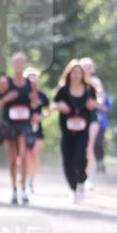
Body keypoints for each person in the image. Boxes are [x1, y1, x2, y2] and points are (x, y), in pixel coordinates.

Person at [53, 59, 97, 203]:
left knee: (80, 157)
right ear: (69, 73)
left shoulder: (89, 89)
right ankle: (72, 188)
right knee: (67, 160)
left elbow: (93, 104)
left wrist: (92, 105)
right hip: (67, 130)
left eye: (79, 72)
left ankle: (81, 182)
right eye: (74, 72)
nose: (77, 74)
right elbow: (53, 103)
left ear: (83, 74)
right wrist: (60, 105)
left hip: (83, 130)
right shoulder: (63, 89)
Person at [0, 53, 35, 206]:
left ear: (25, 65)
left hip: (24, 125)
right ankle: (13, 190)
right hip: (9, 125)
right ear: (12, 65)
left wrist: (34, 99)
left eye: (21, 63)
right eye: (16, 63)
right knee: (12, 160)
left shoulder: (30, 84)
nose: (19, 66)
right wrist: (6, 98)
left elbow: (36, 104)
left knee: (23, 157)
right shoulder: (5, 83)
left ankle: (24, 189)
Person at [24, 67, 49, 194]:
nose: (32, 78)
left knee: (34, 156)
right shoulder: (21, 94)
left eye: (34, 76)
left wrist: (41, 117)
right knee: (25, 156)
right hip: (23, 128)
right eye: (29, 76)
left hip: (37, 129)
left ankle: (30, 180)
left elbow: (48, 109)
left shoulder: (42, 95)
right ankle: (23, 178)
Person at [79, 57, 101, 187]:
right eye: (84, 66)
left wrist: (94, 103)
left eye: (89, 66)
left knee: (89, 146)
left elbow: (101, 100)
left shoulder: (95, 82)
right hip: (77, 118)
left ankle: (90, 176)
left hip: (92, 117)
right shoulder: (75, 81)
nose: (87, 68)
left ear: (92, 68)